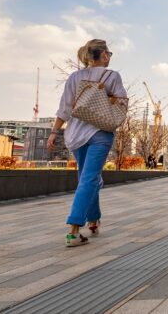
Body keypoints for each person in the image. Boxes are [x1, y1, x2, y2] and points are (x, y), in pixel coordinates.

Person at [48, 39, 127, 247]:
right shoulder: (112, 76)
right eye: (109, 53)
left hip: (75, 135)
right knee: (90, 179)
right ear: (102, 55)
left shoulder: (74, 78)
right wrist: (108, 97)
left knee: (88, 179)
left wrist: (54, 132)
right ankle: (74, 230)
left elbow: (64, 108)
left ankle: (93, 220)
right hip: (100, 132)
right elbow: (121, 103)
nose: (110, 57)